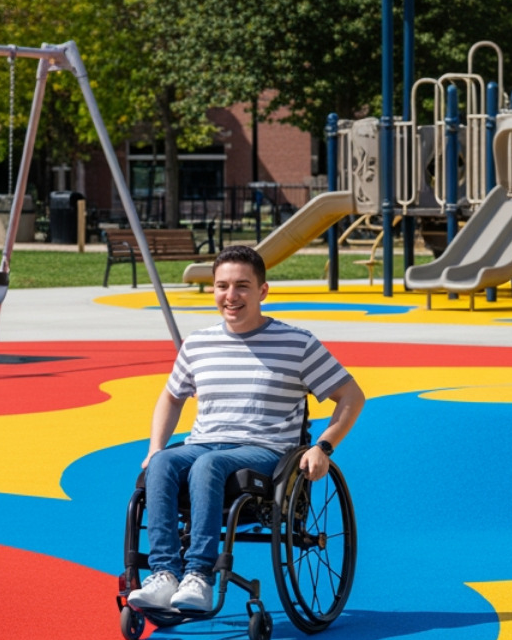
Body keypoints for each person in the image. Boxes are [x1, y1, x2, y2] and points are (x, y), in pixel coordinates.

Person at [128, 244, 366, 615]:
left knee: (209, 465)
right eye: (222, 286)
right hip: (205, 442)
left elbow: (351, 396)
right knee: (161, 463)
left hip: (266, 450)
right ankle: (163, 575)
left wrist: (324, 446)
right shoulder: (198, 344)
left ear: (263, 291)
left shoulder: (297, 343)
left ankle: (199, 577)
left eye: (242, 286)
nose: (230, 296)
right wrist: (155, 446)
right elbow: (172, 397)